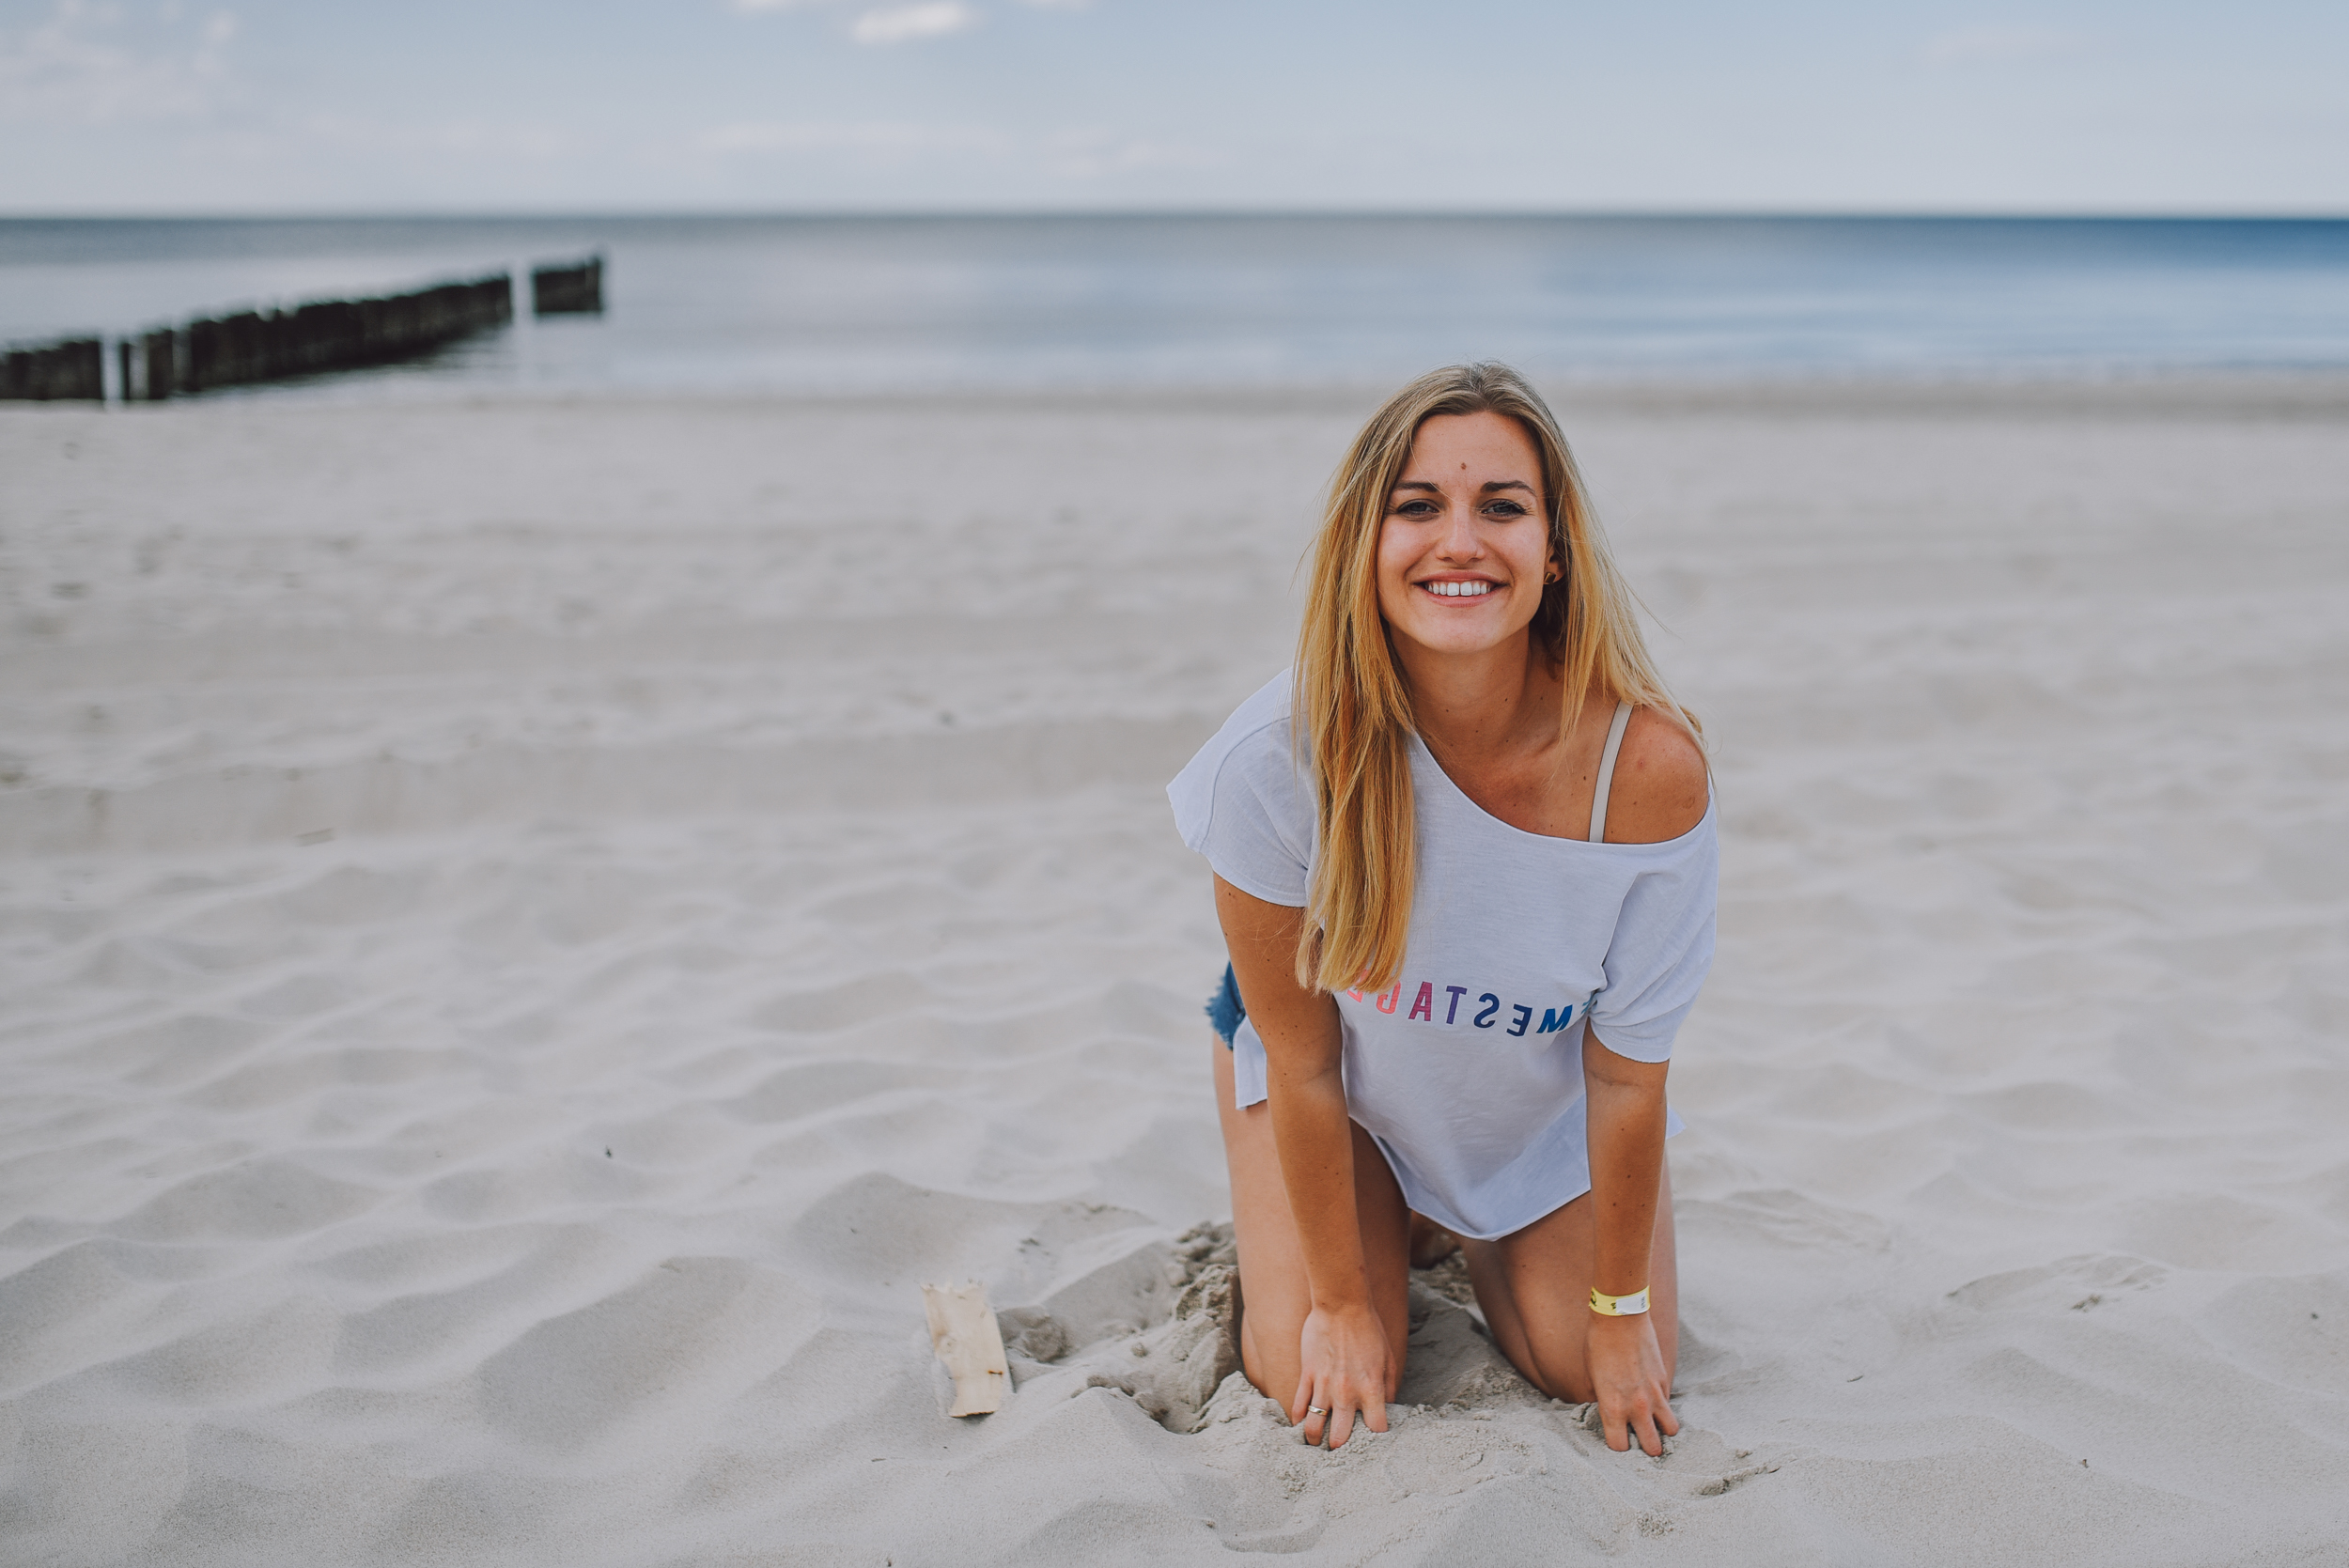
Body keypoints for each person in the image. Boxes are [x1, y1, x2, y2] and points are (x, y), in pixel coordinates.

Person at [1167, 363, 1715, 1458]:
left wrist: (1617, 1315)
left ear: (1553, 550)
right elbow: (1306, 1059)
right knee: (1319, 1378)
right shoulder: (1271, 761)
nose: (1458, 542)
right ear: (1364, 545)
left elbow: (1627, 1074)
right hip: (1341, 1082)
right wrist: (1341, 1303)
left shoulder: (1645, 769)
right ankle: (1386, 1213)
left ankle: (1457, 1220)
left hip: (1529, 1097)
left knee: (1584, 1363)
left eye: (1500, 507)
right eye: (1417, 506)